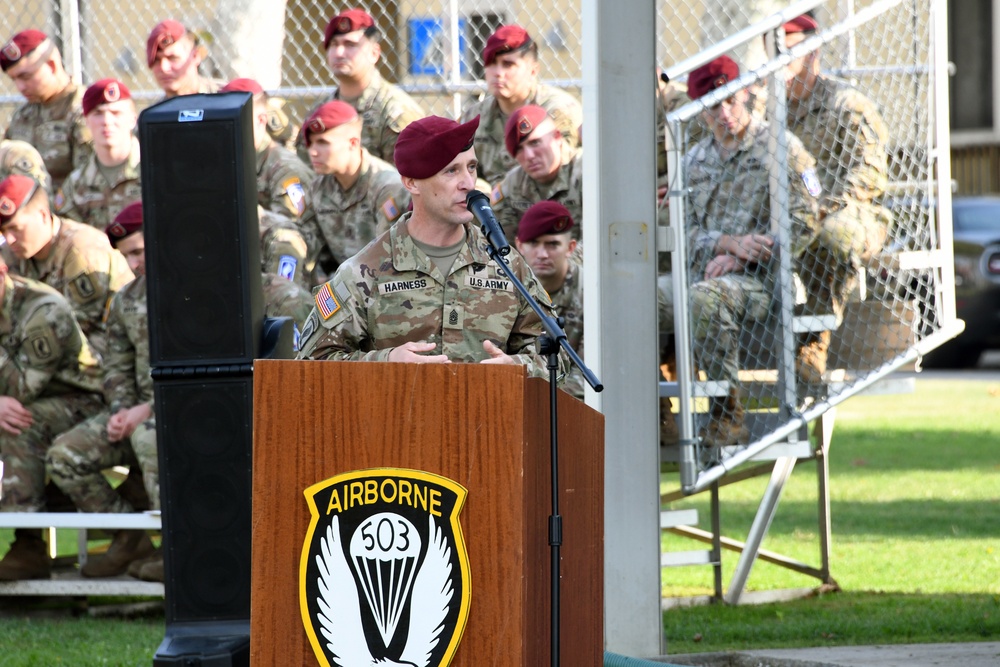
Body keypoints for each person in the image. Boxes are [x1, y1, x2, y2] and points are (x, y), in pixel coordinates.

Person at [297, 114, 561, 381]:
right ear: (411, 182)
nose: (468, 183)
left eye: (471, 167)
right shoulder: (366, 270)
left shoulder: (506, 265)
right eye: (451, 171)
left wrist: (518, 368)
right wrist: (384, 362)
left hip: (489, 419)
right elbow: (309, 363)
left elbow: (557, 356)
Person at [663, 55, 820, 446]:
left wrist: (749, 253)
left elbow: (806, 217)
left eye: (731, 100)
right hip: (705, 272)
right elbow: (682, 231)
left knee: (704, 299)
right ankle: (654, 414)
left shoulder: (782, 148)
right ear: (700, 112)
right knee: (636, 296)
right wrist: (726, 243)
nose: (724, 112)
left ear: (747, 93)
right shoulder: (692, 161)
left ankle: (726, 414)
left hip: (764, 280)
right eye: (712, 106)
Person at [46, 202, 160, 581]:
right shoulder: (127, 300)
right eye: (128, 256)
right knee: (64, 456)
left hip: (179, 414)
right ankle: (131, 537)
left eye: (141, 251)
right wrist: (122, 411)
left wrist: (147, 409)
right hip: (134, 418)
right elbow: (115, 366)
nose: (136, 262)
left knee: (150, 438)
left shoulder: (197, 292)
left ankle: (178, 551)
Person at [782, 14, 892, 382]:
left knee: (829, 232)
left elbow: (871, 172)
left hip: (851, 212)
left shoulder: (846, 104)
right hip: (790, 214)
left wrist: (827, 204)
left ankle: (815, 340)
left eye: (787, 50)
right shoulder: (765, 112)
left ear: (812, 52)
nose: (778, 59)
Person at [0, 257, 103, 581]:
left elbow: (22, 388)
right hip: (27, 400)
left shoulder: (43, 308)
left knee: (18, 424)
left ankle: (28, 544)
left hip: (82, 401)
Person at [0, 174, 134, 355]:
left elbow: (72, 329)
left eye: (16, 228)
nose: (9, 239)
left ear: (43, 215)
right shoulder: (11, 254)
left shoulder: (82, 251)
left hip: (104, 351)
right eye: (3, 231)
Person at [295, 9, 424, 165]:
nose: (339, 53)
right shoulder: (320, 111)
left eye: (350, 44)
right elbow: (306, 173)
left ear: (374, 53)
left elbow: (407, 180)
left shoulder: (396, 111)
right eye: (334, 44)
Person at [459, 24, 582, 185]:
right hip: (495, 204)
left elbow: (564, 174)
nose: (497, 72)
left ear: (533, 71)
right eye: (491, 63)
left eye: (508, 64)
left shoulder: (557, 110)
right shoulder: (474, 117)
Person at [220, 78, 313, 288]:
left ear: (261, 120)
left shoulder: (285, 170)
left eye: (233, 118)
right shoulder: (228, 160)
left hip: (284, 268)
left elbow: (294, 234)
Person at [303, 100, 409, 273]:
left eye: (323, 143)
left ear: (353, 143)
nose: (313, 151)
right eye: (311, 143)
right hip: (342, 282)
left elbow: (385, 259)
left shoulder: (386, 187)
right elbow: (306, 245)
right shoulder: (318, 188)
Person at [1, 29, 92, 190]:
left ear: (51, 65)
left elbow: (86, 182)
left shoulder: (84, 111)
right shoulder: (23, 115)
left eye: (25, 76)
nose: (20, 87)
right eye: (14, 79)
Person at [514, 201, 583, 398]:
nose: (542, 254)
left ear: (570, 248)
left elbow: (593, 370)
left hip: (582, 405)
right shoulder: (504, 290)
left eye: (552, 244)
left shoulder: (591, 295)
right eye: (533, 243)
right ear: (519, 245)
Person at [55, 78, 142, 230]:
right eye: (98, 114)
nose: (107, 121)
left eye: (116, 113)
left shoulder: (154, 171)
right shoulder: (76, 184)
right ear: (86, 121)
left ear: (132, 119)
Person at [490, 105, 583, 245]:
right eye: (519, 149)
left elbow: (597, 243)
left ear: (557, 137)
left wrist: (560, 264)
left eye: (535, 143)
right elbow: (505, 245)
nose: (529, 156)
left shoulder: (585, 173)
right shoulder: (513, 183)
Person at [146, 19, 222, 100]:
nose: (164, 68)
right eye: (156, 61)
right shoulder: (157, 112)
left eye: (173, 58)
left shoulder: (227, 98)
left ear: (195, 56)